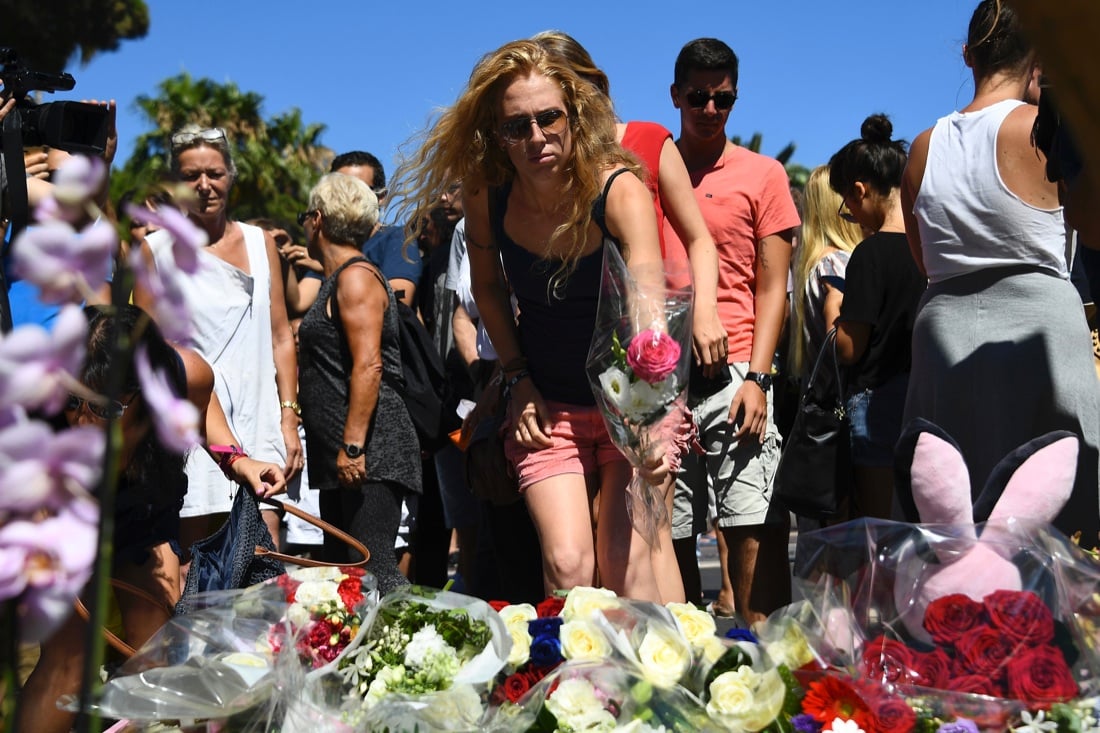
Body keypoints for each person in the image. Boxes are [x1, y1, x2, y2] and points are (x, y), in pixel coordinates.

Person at [396, 40, 669, 600]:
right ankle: (570, 684)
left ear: (575, 113)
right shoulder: (487, 193)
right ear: (496, 134)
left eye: (549, 118)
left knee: (627, 565)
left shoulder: (616, 188)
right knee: (568, 565)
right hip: (546, 405)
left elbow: (648, 302)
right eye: (516, 126)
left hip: (631, 400)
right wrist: (516, 379)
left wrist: (649, 412)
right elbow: (488, 287)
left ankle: (658, 678)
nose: (536, 137)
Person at [16, 304, 286, 733]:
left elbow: (201, 403)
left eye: (104, 410)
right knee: (69, 658)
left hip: (141, 506)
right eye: (73, 402)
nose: (83, 421)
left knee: (153, 649)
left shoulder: (183, 376)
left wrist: (236, 460)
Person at [532, 29, 727, 606]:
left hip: (645, 358)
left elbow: (698, 238)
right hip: (573, 371)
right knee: (589, 545)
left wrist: (707, 313)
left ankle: (675, 662)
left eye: (577, 90)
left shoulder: (645, 139)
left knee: (648, 532)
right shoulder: (541, 167)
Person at [901, 0, 1100, 547]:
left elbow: (923, 261)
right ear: (1038, 56)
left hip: (945, 338)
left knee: (957, 519)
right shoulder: (1044, 130)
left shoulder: (922, 148)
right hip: (1042, 332)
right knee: (1060, 515)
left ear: (967, 56)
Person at [664, 38, 800, 625]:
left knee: (752, 522)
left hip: (738, 370)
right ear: (676, 95)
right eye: (698, 96)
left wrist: (760, 380)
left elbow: (774, 288)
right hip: (657, 378)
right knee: (669, 533)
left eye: (723, 99)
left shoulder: (763, 174)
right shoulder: (646, 170)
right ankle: (687, 667)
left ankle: (766, 665)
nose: (711, 109)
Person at [134, 124, 303, 567]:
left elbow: (282, 335)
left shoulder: (260, 241)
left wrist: (288, 417)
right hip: (195, 424)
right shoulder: (154, 251)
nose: (204, 186)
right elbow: (156, 356)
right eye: (191, 175)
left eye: (214, 172)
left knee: (266, 557)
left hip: (260, 412)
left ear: (231, 175)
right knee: (196, 564)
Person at [297, 172, 422, 593]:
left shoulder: (355, 277)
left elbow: (369, 365)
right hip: (346, 458)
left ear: (316, 220)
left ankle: (420, 648)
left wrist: (353, 447)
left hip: (370, 452)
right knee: (348, 581)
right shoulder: (338, 278)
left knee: (373, 572)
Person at [828, 115, 926, 519]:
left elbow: (851, 347)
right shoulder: (928, 248)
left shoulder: (869, 255)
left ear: (860, 190)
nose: (849, 213)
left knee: (882, 528)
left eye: (847, 204)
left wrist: (833, 310)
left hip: (877, 404)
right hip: (923, 395)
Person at [331, 150, 423, 307]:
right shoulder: (326, 244)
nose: (347, 198)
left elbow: (399, 304)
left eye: (357, 189)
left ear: (381, 197)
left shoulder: (396, 239)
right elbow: (298, 301)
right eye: (338, 190)